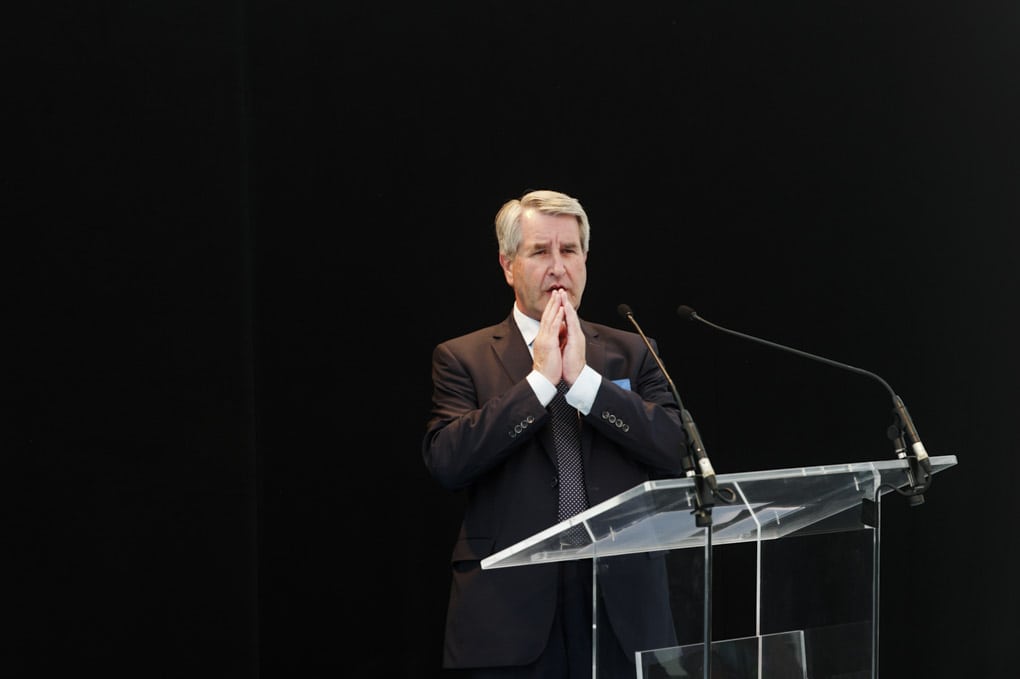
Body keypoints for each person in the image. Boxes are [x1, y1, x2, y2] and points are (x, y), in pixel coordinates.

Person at [423, 189, 690, 678]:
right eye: (539, 251)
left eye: (569, 251)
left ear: (585, 259)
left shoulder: (634, 351)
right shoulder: (463, 357)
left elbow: (676, 449)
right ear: (508, 266)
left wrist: (586, 383)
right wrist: (540, 384)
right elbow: (448, 461)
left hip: (623, 609)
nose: (557, 266)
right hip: (511, 612)